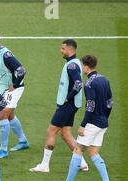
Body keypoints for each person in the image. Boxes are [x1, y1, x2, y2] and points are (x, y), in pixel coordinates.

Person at [53, 55, 113, 181]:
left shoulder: (89, 84)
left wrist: (83, 124)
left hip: (93, 124)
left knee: (78, 150)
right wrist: (105, 117)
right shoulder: (104, 79)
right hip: (103, 123)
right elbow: (109, 102)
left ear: (86, 66)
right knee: (93, 152)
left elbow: (90, 106)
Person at [30, 39, 89, 173]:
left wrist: (67, 98)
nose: (61, 51)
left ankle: (45, 165)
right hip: (72, 105)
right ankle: (82, 163)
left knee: (51, 131)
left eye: (63, 49)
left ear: (69, 50)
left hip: (67, 105)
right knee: (66, 134)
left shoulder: (72, 66)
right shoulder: (74, 63)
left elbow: (78, 84)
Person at [0, 29, 30, 159]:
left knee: (3, 114)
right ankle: (23, 141)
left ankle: (3, 150)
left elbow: (22, 70)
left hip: (14, 89)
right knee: (10, 115)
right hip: (1, 88)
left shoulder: (6, 55)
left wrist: (14, 85)